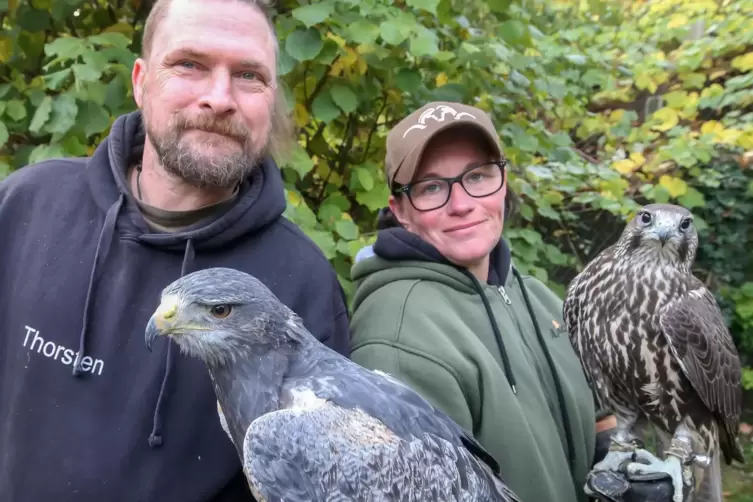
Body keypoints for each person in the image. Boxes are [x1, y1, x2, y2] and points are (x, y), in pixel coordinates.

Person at [0, 0, 349, 500]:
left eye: (249, 75)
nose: (220, 97)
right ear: (140, 81)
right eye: (190, 64)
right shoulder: (25, 206)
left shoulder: (304, 286)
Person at [348, 101, 680, 502]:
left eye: (478, 176)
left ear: (503, 182)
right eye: (432, 187)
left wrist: (616, 463)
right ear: (400, 210)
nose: (461, 203)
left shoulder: (536, 295)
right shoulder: (399, 335)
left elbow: (597, 414)